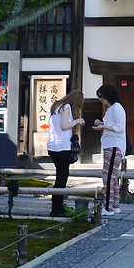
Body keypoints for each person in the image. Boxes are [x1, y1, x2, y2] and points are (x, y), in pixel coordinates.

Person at [46, 89, 85, 217]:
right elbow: (64, 126)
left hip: (52, 146)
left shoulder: (55, 107)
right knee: (62, 179)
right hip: (61, 146)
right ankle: (56, 209)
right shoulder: (66, 106)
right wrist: (77, 121)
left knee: (60, 177)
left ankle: (58, 206)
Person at [92, 83, 127, 215]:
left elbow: (119, 128)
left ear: (107, 96)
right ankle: (115, 205)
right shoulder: (111, 109)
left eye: (101, 96)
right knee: (112, 176)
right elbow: (112, 125)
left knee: (107, 176)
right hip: (110, 144)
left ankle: (108, 207)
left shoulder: (116, 108)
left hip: (114, 145)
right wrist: (101, 124)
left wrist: (103, 127)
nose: (100, 99)